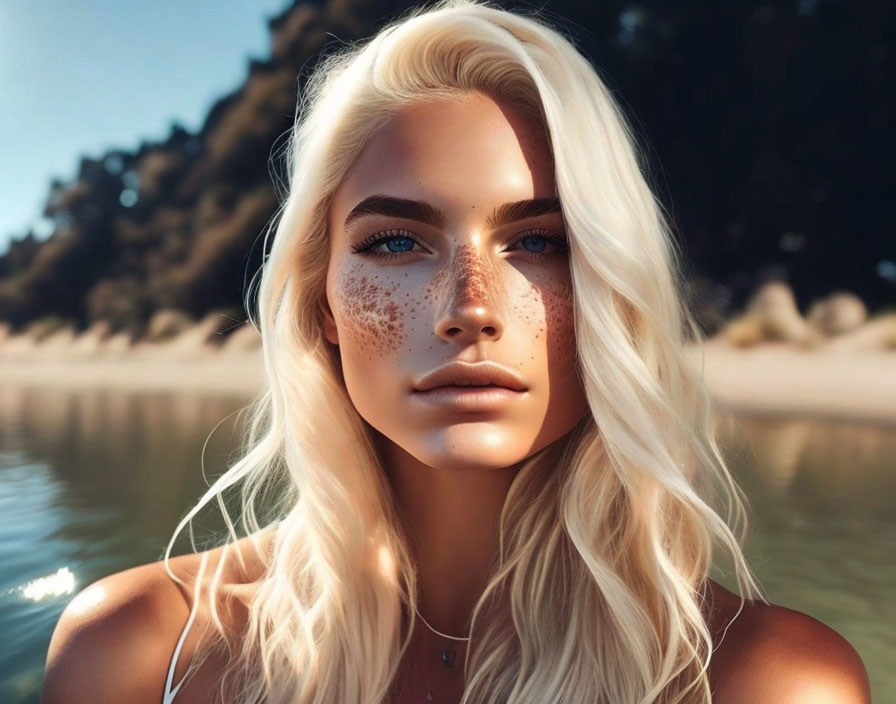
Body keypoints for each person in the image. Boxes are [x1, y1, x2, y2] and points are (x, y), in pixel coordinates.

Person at [42, 1, 870, 702]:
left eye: (540, 242)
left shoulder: (764, 681)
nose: (469, 308)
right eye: (398, 242)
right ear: (320, 299)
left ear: (613, 290)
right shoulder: (143, 653)